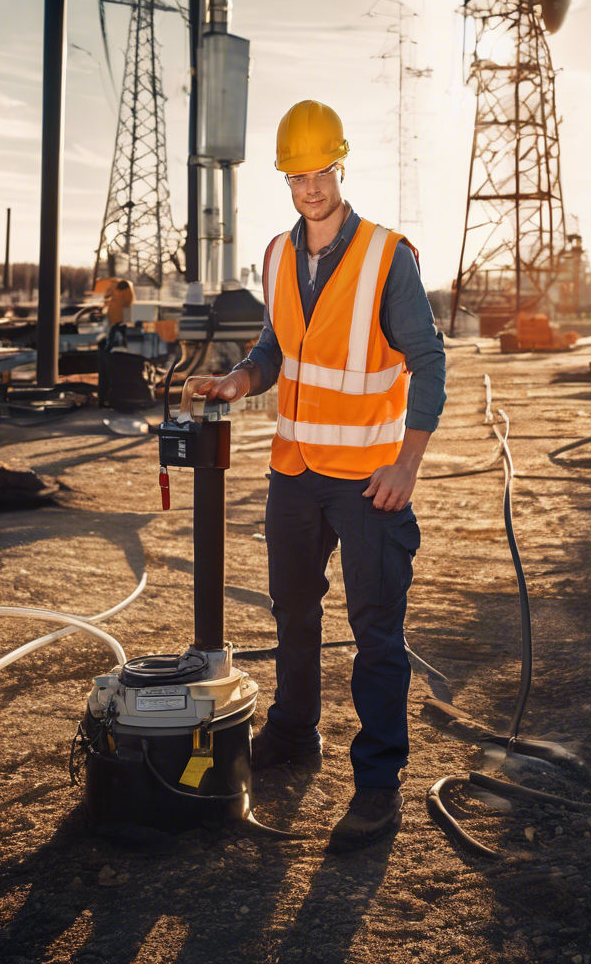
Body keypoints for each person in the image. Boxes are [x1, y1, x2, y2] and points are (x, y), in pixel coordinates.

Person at [194, 100, 446, 851]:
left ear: (341, 165)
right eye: (296, 176)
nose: (309, 188)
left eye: (319, 172)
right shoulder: (274, 254)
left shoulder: (385, 255)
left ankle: (377, 787)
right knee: (294, 613)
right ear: (288, 178)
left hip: (370, 478)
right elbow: (277, 344)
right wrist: (241, 380)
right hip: (295, 472)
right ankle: (295, 733)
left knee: (376, 632)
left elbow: (428, 360)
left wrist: (407, 463)